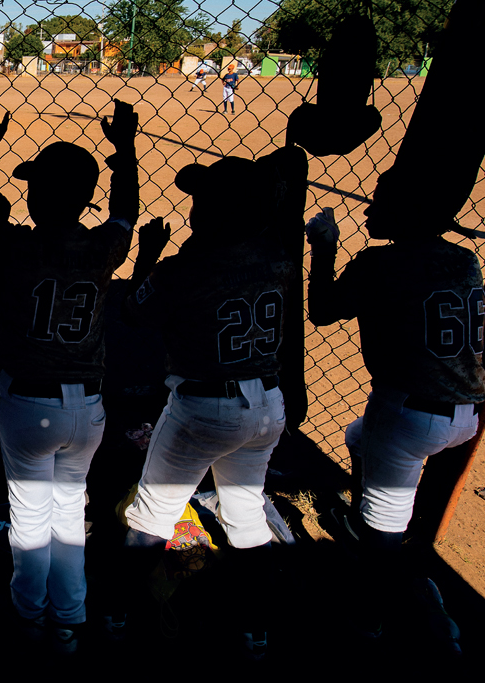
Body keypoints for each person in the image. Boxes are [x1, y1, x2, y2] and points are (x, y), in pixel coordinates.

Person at [0, 99, 140, 654]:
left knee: (32, 514)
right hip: (87, 407)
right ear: (87, 198)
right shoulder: (104, 246)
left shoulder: (16, 245)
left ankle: (29, 612)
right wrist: (124, 149)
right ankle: (71, 616)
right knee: (68, 508)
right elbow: (126, 213)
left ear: (36, 196)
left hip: (28, 403)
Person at [119, 155, 291, 660]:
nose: (193, 209)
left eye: (203, 202)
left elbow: (134, 313)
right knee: (246, 516)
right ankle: (255, 629)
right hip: (267, 405)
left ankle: (115, 614)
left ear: (208, 215)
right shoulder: (278, 256)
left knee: (151, 519)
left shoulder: (183, 269)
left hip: (203, 409)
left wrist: (148, 257)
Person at [306, 171, 482, 640]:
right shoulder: (465, 259)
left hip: (406, 414)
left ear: (405, 214)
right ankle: (366, 523)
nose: (367, 210)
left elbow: (323, 310)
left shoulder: (379, 263)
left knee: (385, 532)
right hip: (467, 413)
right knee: (355, 437)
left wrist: (324, 246)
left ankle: (370, 616)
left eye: (378, 203)